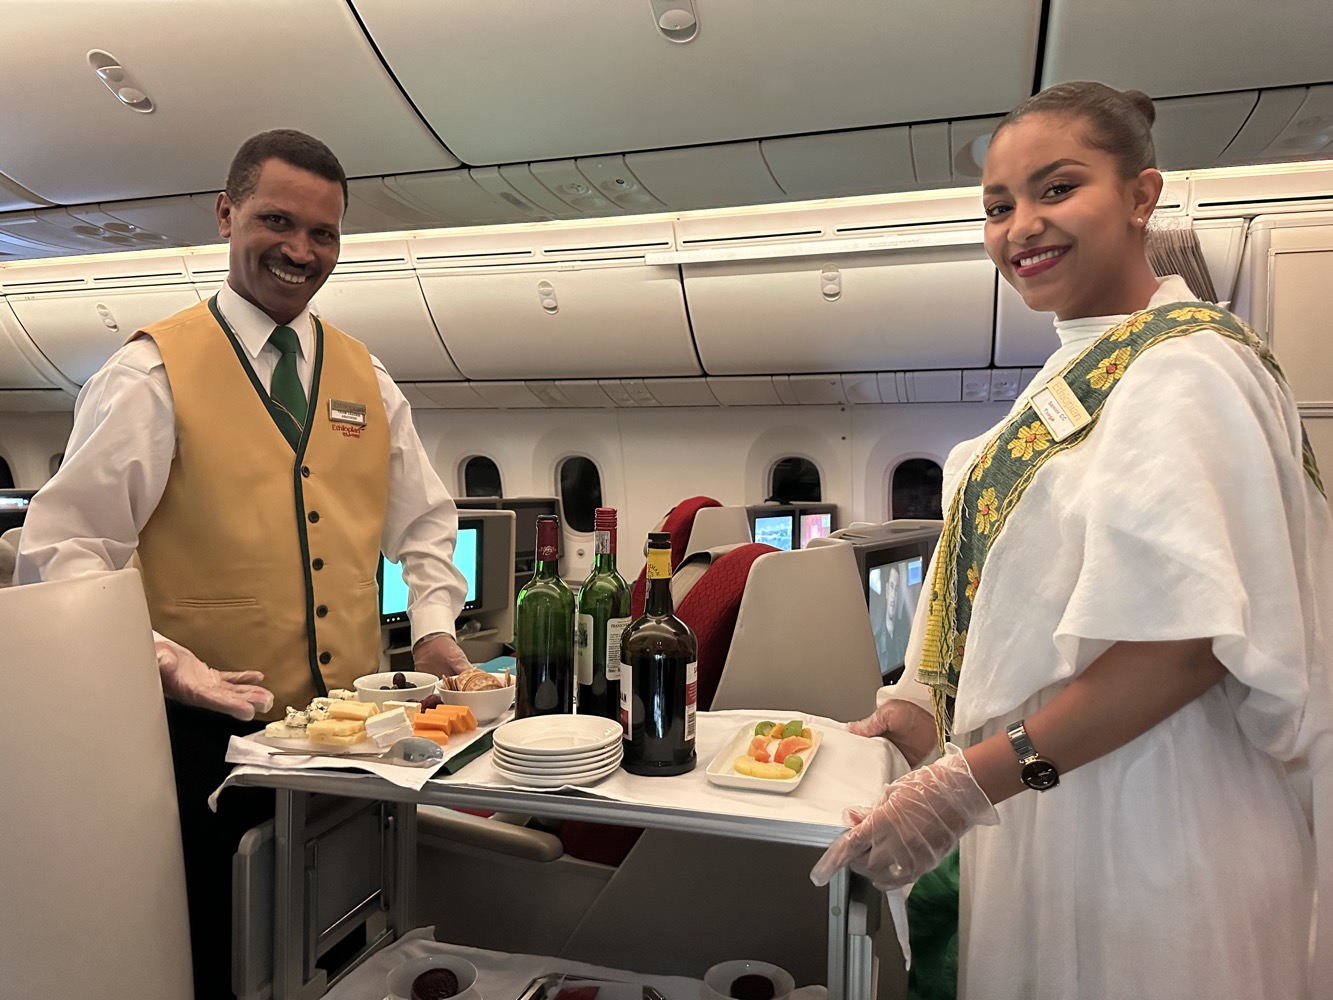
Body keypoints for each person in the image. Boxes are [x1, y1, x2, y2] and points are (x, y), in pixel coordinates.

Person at [812, 82, 1333, 999]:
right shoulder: (1075, 374)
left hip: (1154, 820)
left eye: (1057, 190)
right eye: (997, 206)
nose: (1021, 226)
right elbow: (1021, 599)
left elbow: (1181, 648)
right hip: (1058, 790)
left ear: (1141, 195)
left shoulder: (1185, 367)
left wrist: (964, 785)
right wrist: (921, 707)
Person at [16, 129, 472, 999]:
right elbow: (66, 550)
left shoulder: (363, 375)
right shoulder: (151, 371)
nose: (301, 251)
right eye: (277, 220)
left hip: (352, 738)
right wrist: (162, 659)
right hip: (204, 745)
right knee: (232, 959)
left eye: (324, 233)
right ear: (225, 214)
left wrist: (436, 630)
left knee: (346, 948)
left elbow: (424, 519)